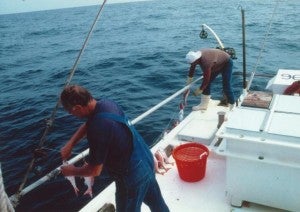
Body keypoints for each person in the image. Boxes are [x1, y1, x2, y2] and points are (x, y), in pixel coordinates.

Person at [60, 85, 169, 212]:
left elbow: (94, 170)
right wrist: (71, 144)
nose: (72, 115)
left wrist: (71, 171)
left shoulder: (97, 129)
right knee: (157, 204)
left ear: (78, 108)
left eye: (71, 112)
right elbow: (88, 124)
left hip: (132, 176)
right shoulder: (106, 104)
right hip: (146, 160)